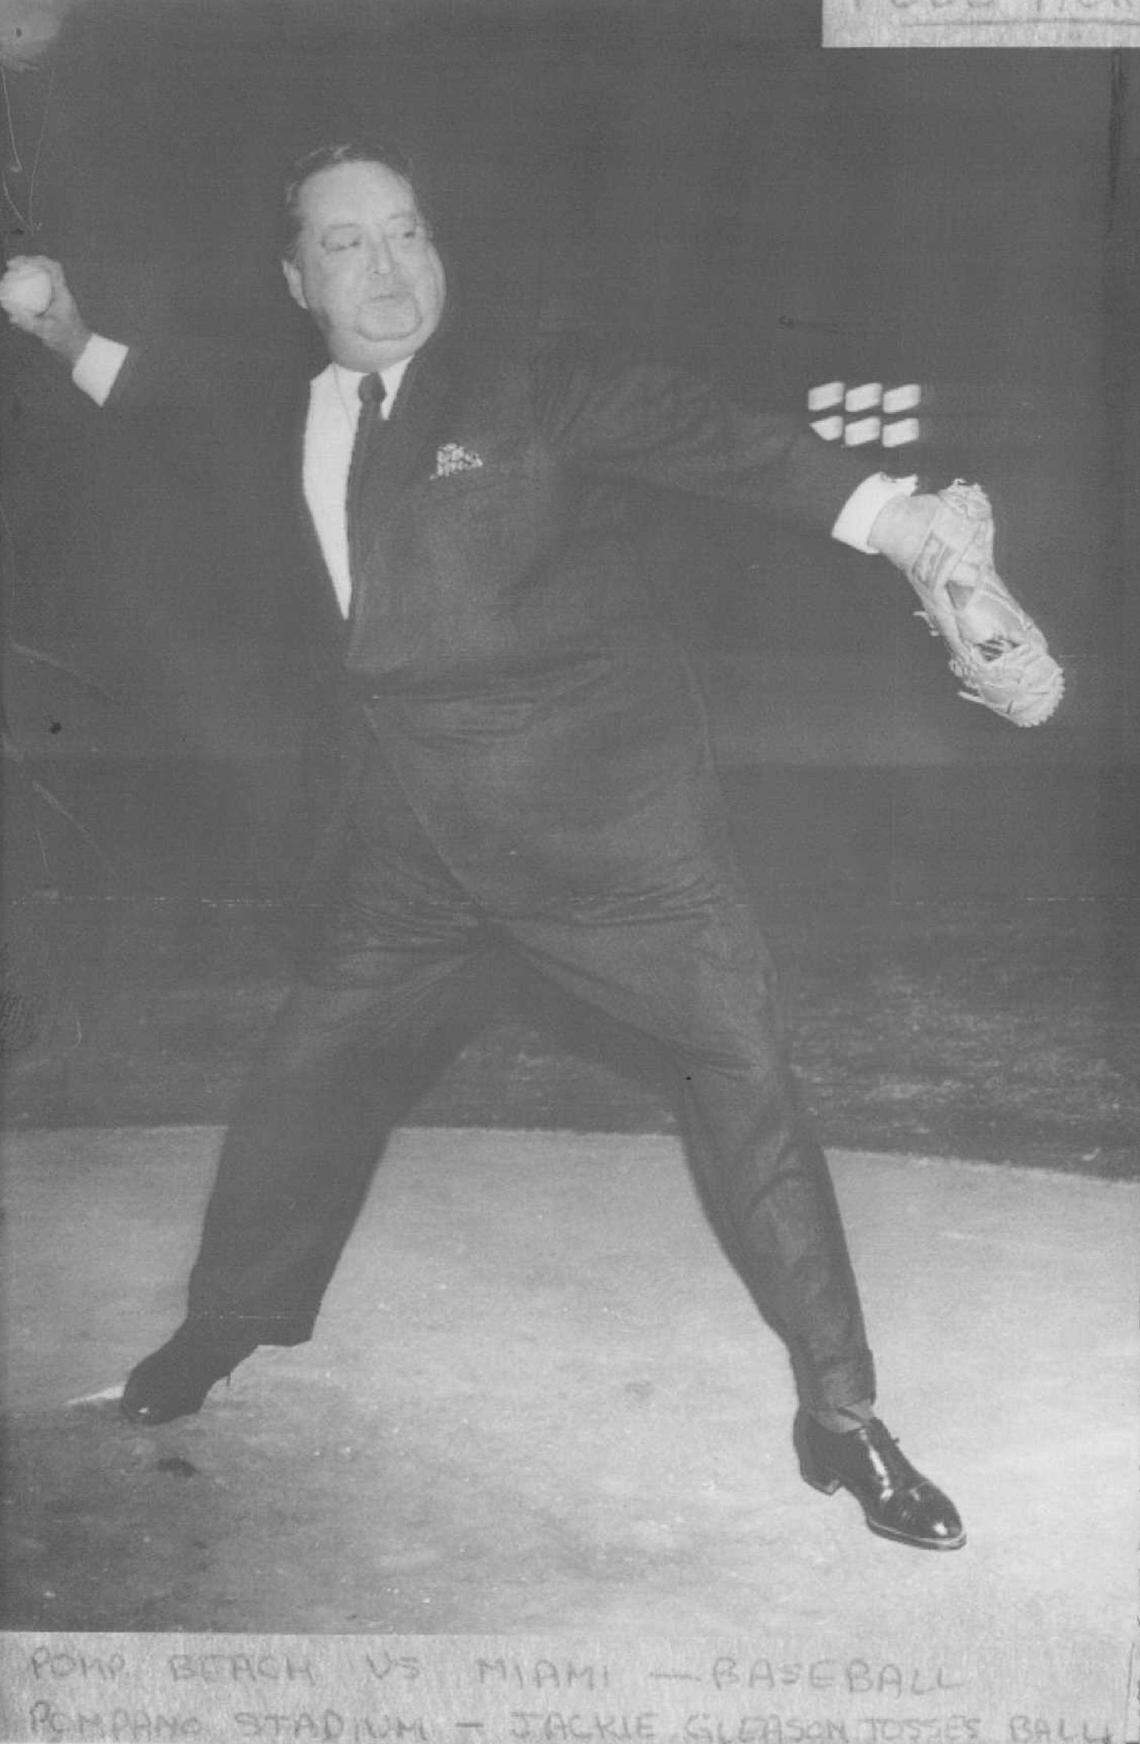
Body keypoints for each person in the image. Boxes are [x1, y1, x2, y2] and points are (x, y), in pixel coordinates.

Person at [5, 139, 974, 1554]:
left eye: (407, 232)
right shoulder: (294, 401)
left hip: (615, 842)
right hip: (410, 851)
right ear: (296, 280)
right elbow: (164, 400)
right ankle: (223, 1329)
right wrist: (58, 326)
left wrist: (908, 527)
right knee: (300, 1091)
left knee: (748, 1083)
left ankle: (843, 1423)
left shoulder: (537, 386)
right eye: (347, 245)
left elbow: (734, 446)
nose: (389, 267)